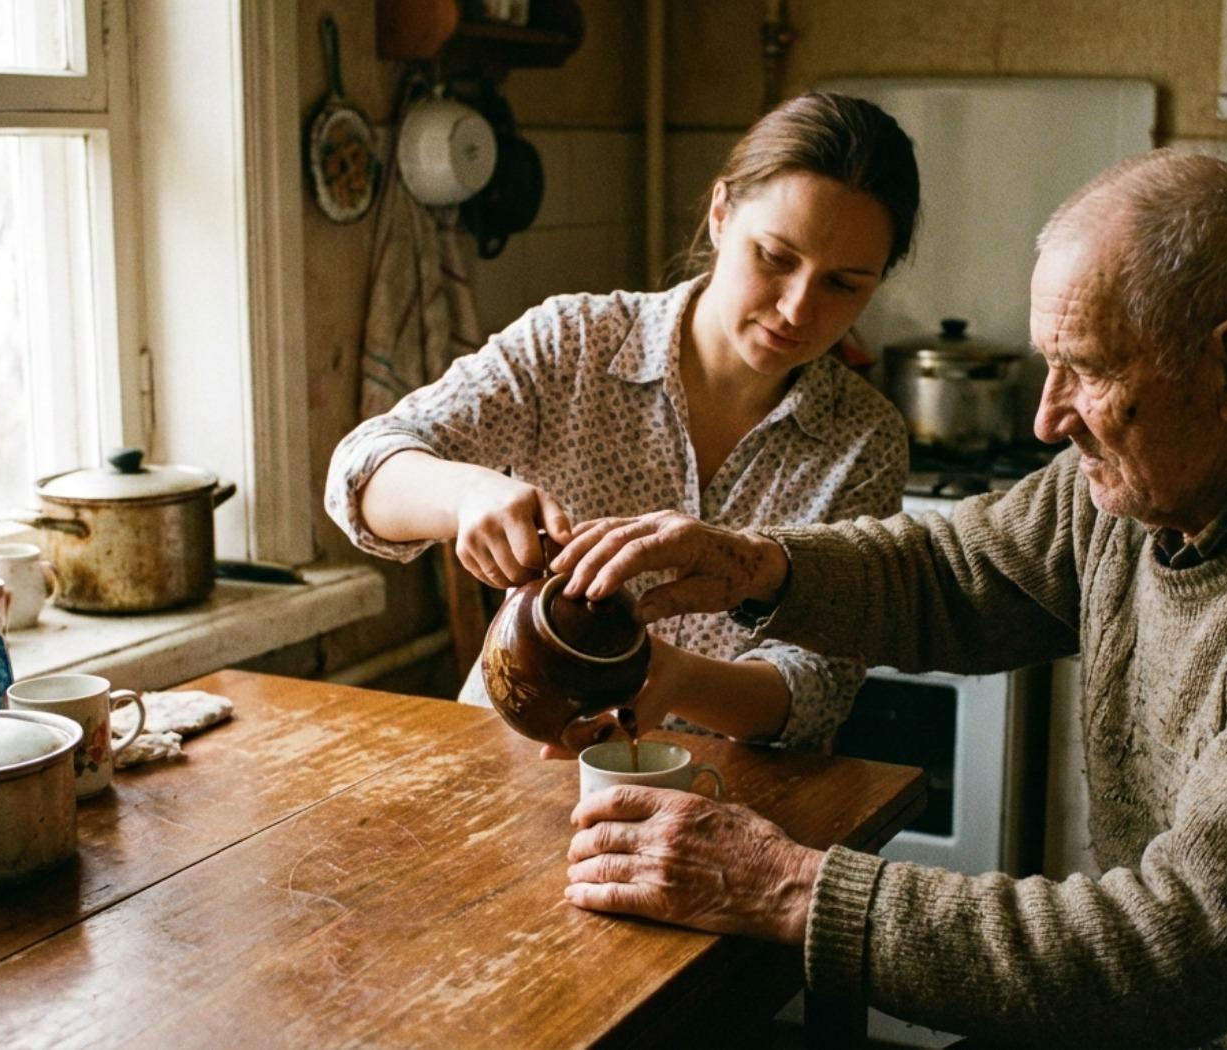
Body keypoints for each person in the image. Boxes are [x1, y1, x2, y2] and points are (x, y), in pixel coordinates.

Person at [547, 150, 1227, 1048]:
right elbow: (959, 571)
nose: (1045, 413)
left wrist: (793, 888)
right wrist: (755, 565)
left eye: (1088, 371)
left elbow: (1164, 952)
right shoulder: (1167, 475)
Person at [325, 92, 918, 751]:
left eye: (844, 284)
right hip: (515, 757)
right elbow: (361, 472)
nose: (797, 309)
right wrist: (467, 495)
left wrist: (678, 681)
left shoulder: (864, 437)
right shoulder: (575, 341)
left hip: (717, 794)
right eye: (775, 258)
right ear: (721, 215)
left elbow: (818, 690)